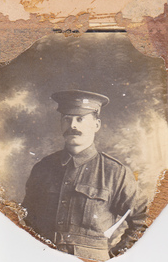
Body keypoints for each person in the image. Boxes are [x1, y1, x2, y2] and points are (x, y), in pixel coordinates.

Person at [22, 90, 148, 261]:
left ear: (96, 125)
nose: (73, 125)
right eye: (67, 119)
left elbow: (142, 221)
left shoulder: (115, 173)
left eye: (80, 119)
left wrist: (113, 256)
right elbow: (25, 220)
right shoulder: (43, 168)